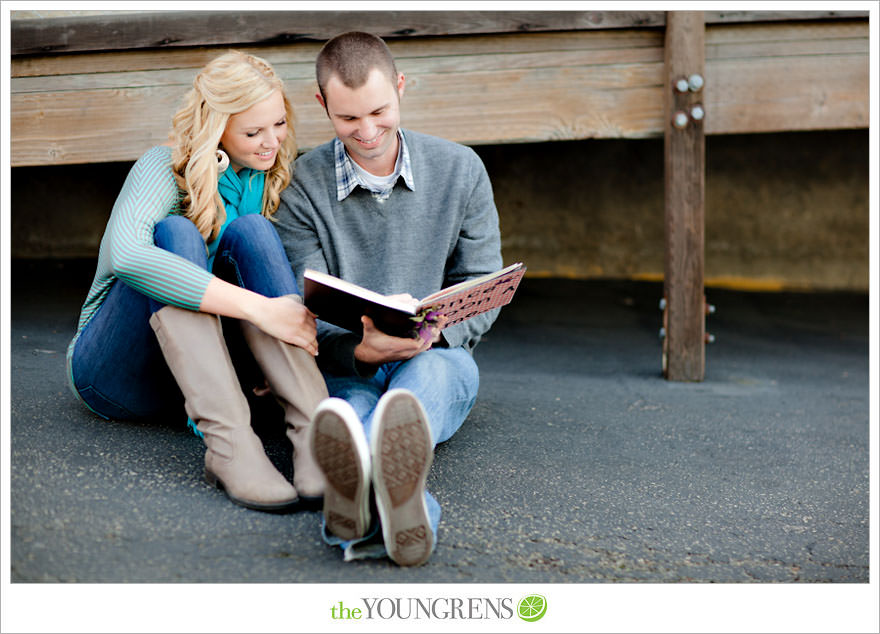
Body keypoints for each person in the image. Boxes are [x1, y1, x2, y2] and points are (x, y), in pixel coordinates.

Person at [274, 32, 504, 566]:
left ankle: (351, 508)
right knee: (349, 412)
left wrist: (434, 333)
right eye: (348, 119)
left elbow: (484, 282)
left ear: (400, 87)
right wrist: (360, 352)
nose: (368, 131)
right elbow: (302, 304)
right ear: (322, 105)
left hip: (438, 356)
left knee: (415, 396)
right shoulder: (300, 188)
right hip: (348, 365)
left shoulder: (461, 169)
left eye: (380, 111)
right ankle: (399, 506)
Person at [66, 50, 329, 513]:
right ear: (217, 128)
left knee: (254, 231)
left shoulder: (268, 177)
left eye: (279, 124)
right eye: (253, 132)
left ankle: (316, 435)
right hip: (116, 375)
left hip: (211, 377)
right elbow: (127, 256)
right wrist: (259, 310)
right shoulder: (162, 167)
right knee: (175, 233)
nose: (271, 142)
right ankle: (230, 447)